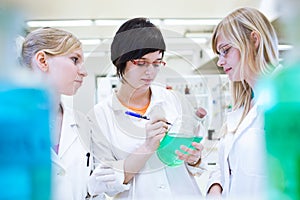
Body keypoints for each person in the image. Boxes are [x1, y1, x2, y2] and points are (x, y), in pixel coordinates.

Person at [87, 18, 205, 199]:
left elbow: (193, 161)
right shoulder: (100, 115)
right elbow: (107, 184)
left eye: (157, 63)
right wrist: (148, 146)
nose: (150, 71)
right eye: (141, 63)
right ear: (120, 60)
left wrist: (194, 158)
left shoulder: (174, 100)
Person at [20, 27, 119, 200]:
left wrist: (91, 190)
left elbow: (89, 191)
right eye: (75, 60)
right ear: (43, 61)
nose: (84, 71)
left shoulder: (82, 123)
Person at [204, 7, 280, 199]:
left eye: (226, 50)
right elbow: (228, 166)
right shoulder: (243, 107)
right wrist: (215, 187)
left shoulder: (286, 98)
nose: (220, 62)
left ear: (254, 40)